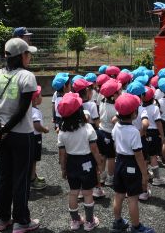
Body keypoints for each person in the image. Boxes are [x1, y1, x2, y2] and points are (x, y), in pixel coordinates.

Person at [0, 37, 40, 232]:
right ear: (21, 56)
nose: (30, 57)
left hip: (2, 135)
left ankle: (1, 219)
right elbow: (23, 108)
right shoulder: (27, 77)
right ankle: (21, 221)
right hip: (21, 134)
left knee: (3, 177)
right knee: (21, 178)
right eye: (28, 53)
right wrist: (5, 129)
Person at [57, 92, 103, 231]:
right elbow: (94, 149)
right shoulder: (88, 128)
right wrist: (99, 163)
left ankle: (75, 221)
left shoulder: (62, 131)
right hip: (87, 162)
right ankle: (89, 222)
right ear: (79, 112)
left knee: (73, 192)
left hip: (71, 163)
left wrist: (63, 169)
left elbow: (62, 154)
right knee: (88, 193)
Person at [111, 93, 154, 233]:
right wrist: (144, 174)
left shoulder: (116, 127)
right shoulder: (134, 131)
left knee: (118, 194)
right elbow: (138, 155)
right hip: (131, 164)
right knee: (133, 198)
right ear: (134, 113)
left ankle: (117, 222)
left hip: (119, 162)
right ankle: (136, 227)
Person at [98, 79, 122, 186]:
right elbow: (115, 120)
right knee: (111, 157)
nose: (120, 92)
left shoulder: (102, 101)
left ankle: (102, 176)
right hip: (109, 133)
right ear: (114, 95)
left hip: (101, 131)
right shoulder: (114, 107)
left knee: (103, 155)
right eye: (119, 91)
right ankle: (110, 178)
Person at [31, 86, 49, 190]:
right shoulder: (35, 111)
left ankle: (33, 176)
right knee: (34, 159)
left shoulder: (30, 109)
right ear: (35, 99)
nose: (42, 97)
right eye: (40, 95)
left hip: (30, 136)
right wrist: (45, 129)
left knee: (31, 158)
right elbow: (36, 125)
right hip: (35, 137)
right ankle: (32, 179)